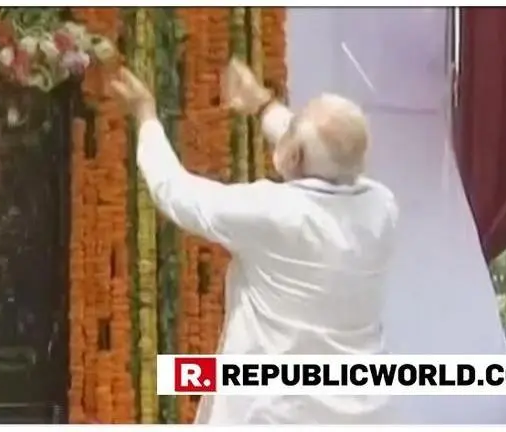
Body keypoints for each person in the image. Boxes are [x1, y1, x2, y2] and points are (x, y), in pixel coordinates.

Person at [110, 58, 399, 424]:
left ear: (294, 154)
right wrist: (262, 105)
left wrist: (145, 114)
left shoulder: (276, 213)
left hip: (278, 414)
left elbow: (176, 193)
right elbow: (328, 155)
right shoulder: (382, 208)